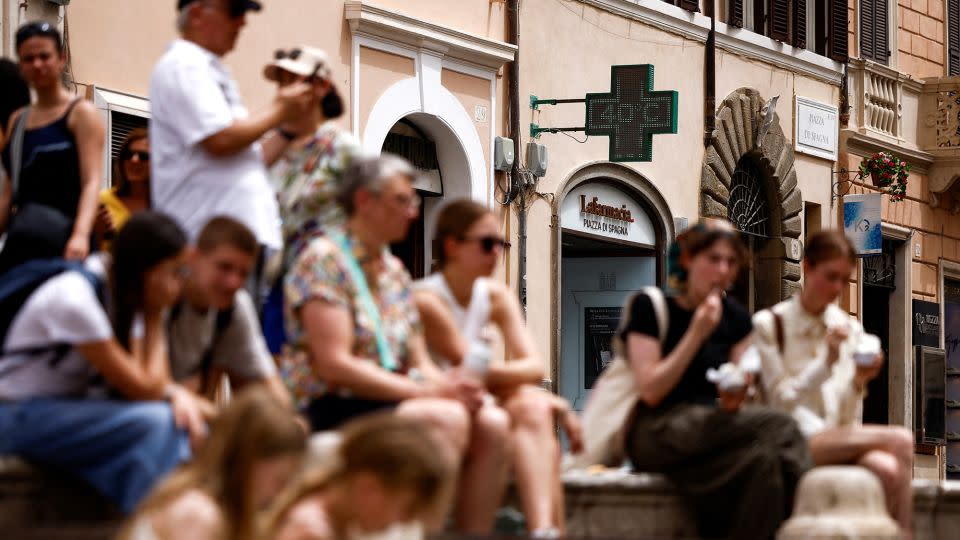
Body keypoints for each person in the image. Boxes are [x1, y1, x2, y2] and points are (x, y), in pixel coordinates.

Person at [283, 155, 510, 533]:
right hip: (333, 402)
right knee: (446, 416)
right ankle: (422, 531)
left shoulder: (395, 271)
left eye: (414, 202)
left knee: (492, 422)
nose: (412, 212)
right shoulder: (324, 260)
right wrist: (425, 392)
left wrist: (447, 386)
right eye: (402, 201)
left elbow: (417, 357)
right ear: (363, 201)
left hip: (388, 397)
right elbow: (335, 364)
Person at [0, 212, 208, 513]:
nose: (179, 285)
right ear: (146, 271)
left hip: (59, 412)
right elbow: (145, 391)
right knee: (157, 424)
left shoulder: (124, 296)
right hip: (14, 415)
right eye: (175, 272)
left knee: (179, 427)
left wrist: (151, 316)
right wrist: (154, 316)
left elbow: (155, 383)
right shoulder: (75, 299)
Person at [621, 219, 811, 540]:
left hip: (711, 430)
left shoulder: (736, 318)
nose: (722, 270)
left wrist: (738, 394)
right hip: (657, 429)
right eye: (713, 259)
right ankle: (815, 518)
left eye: (731, 261)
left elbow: (737, 391)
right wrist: (696, 333)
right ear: (687, 260)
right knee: (781, 426)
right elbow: (651, 391)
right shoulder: (651, 308)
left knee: (764, 465)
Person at [413, 199, 583, 537]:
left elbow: (534, 366)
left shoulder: (494, 295)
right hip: (437, 395)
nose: (497, 254)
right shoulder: (425, 298)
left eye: (501, 245)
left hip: (481, 393)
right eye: (487, 244)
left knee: (534, 406)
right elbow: (460, 365)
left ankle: (543, 531)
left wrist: (491, 376)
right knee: (526, 410)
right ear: (452, 246)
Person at [753, 230, 914, 539]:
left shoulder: (849, 328)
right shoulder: (769, 324)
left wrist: (858, 381)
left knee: (888, 470)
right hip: (789, 441)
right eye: (831, 277)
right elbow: (780, 403)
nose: (837, 288)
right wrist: (825, 363)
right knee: (902, 440)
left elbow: (845, 418)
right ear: (807, 268)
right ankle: (907, 533)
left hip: (836, 439)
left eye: (844, 280)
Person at [149, 0, 313, 252]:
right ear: (196, 14)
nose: (242, 22)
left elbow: (248, 156)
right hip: (207, 243)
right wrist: (281, 110)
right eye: (234, 12)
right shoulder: (183, 65)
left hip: (231, 241)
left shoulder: (204, 68)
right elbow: (220, 140)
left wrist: (288, 127)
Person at [260, 45, 360, 356]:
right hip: (277, 282)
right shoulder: (276, 149)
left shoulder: (344, 149)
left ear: (322, 87)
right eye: (282, 81)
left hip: (326, 284)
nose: (285, 90)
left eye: (295, 80)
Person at [120, 386, 307, 540]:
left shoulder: (218, 510)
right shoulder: (198, 513)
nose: (281, 493)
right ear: (247, 463)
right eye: (280, 480)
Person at [0, 22, 105, 269]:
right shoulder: (18, 119)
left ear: (61, 58)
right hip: (26, 237)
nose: (37, 64)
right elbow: (8, 190)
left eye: (44, 56)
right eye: (28, 59)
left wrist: (80, 236)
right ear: (21, 66)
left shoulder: (81, 114)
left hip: (68, 239)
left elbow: (91, 182)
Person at [266, 413, 452, 540]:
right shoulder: (311, 533)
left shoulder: (338, 523)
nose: (404, 520)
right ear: (369, 487)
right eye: (407, 508)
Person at [167, 216, 290, 405]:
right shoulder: (167, 294)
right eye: (224, 267)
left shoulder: (235, 306)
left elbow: (269, 383)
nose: (233, 282)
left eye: (243, 274)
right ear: (193, 258)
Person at [97, 128, 152, 248]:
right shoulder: (100, 201)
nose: (134, 160)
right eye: (128, 155)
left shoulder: (166, 205)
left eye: (143, 156)